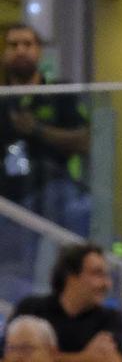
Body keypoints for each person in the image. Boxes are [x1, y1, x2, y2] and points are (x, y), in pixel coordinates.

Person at [0, 24, 89, 243]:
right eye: (13, 45)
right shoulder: (2, 99)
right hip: (7, 200)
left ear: (39, 51)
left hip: (54, 192)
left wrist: (38, 130)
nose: (20, 50)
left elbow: (85, 140)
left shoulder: (59, 93)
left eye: (27, 44)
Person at [12, 244, 122, 362]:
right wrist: (85, 359)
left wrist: (41, 358)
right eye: (97, 274)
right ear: (71, 277)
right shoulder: (32, 309)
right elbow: (9, 355)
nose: (107, 284)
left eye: (107, 276)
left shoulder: (110, 318)